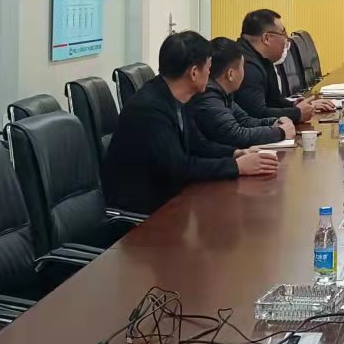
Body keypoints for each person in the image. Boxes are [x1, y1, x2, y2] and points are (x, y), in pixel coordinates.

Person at [102, 30, 278, 215]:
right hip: (144, 211)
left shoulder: (177, 97)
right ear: (194, 73)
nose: (210, 73)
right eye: (208, 68)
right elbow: (178, 168)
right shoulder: (150, 109)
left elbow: (197, 144)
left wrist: (235, 153)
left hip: (170, 198)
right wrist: (236, 167)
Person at [191, 37, 297, 149]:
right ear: (230, 74)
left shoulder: (223, 93)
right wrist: (280, 132)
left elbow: (245, 121)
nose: (245, 72)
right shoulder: (208, 96)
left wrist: (275, 122)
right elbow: (237, 136)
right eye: (242, 67)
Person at [236, 9, 333, 125]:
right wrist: (297, 113)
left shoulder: (262, 59)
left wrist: (297, 105)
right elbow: (256, 114)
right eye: (283, 33)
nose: (286, 40)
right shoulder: (245, 65)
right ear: (266, 38)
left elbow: (273, 102)